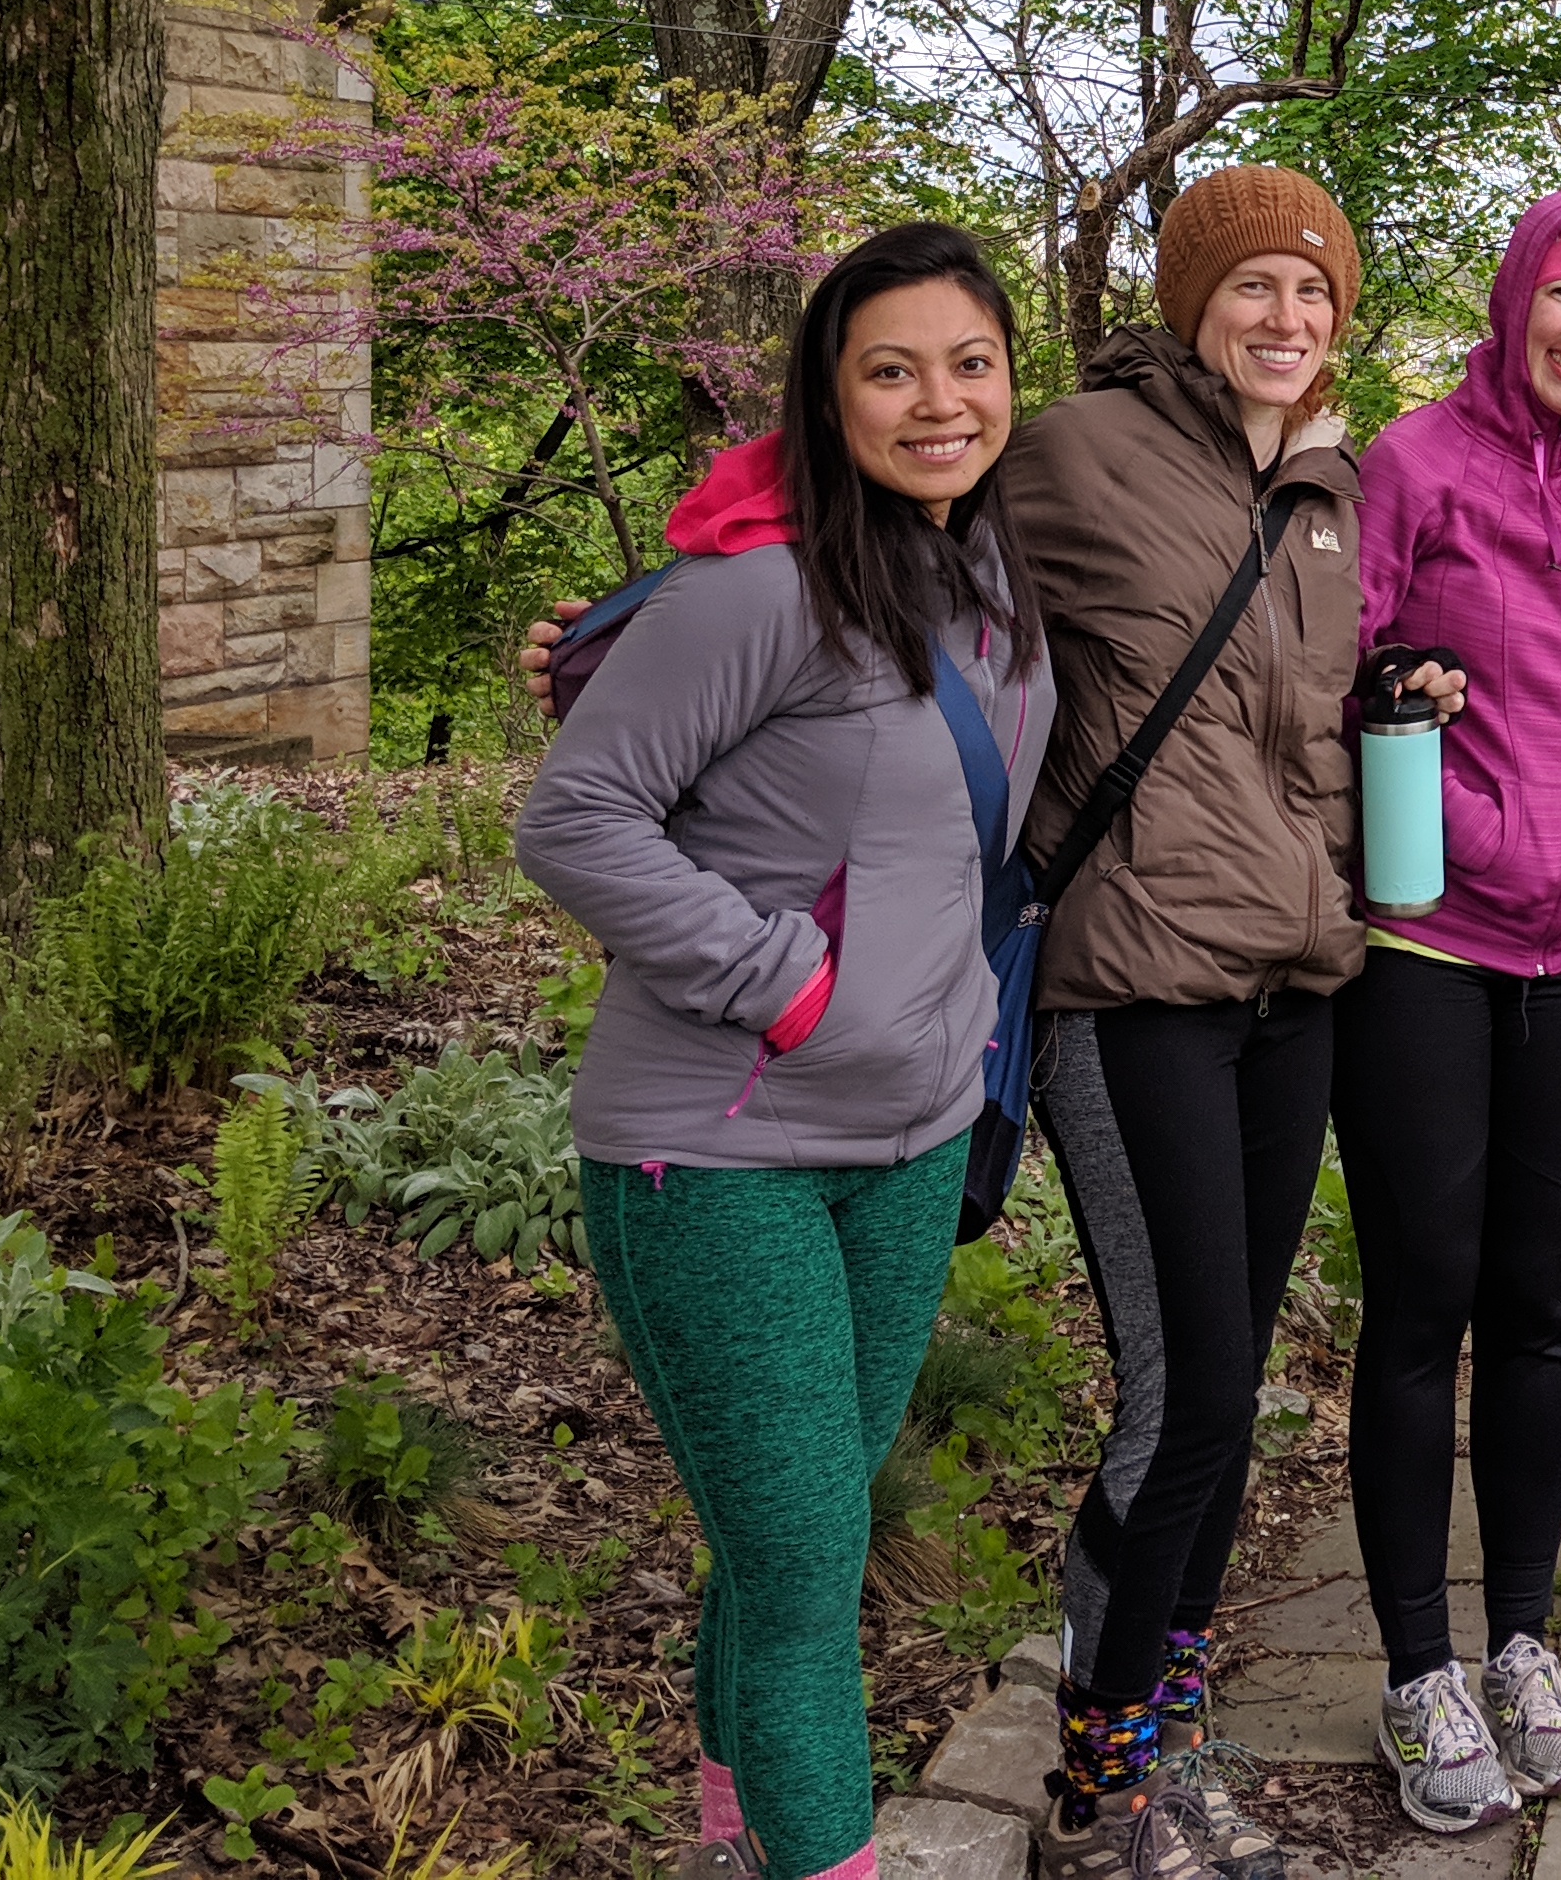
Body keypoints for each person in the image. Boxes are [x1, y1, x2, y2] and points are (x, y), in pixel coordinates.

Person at [515, 223, 1049, 1880]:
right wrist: (787, 984)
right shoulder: (766, 588)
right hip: (718, 1150)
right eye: (890, 370)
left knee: (783, 1542)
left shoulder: (987, 581)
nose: (937, 400)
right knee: (815, 1572)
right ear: (831, 399)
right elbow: (577, 817)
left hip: (905, 1146)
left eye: (969, 362)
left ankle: (735, 1822)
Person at [1007, 164, 1394, 1880]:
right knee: (1185, 1400)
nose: (1284, 320)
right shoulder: (1070, 454)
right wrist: (638, 630)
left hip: (1289, 988)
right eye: (1254, 290)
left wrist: (1393, 703)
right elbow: (855, 540)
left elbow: (1290, 735)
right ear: (1190, 303)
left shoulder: (1328, 493)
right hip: (1134, 981)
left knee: (1231, 1396)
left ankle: (1151, 1743)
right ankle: (1094, 1786)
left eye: (1313, 296)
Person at [1335, 192, 1561, 1832]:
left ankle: (1519, 1644)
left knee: (1540, 1311)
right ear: (1514, 300)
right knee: (1423, 1304)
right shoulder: (1412, 463)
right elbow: (1322, 666)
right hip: (1432, 948)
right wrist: (1394, 695)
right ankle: (1416, 1667)